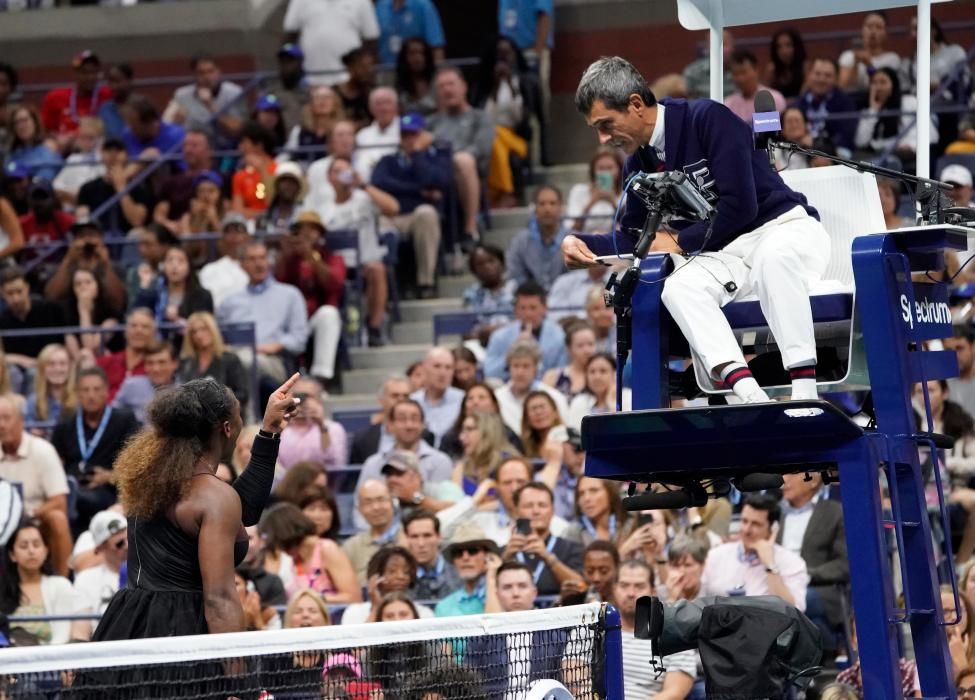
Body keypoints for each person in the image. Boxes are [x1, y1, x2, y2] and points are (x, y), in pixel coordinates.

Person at [565, 56, 831, 405]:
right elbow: (636, 237)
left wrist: (677, 240)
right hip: (726, 255)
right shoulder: (637, 162)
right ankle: (750, 396)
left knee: (773, 259)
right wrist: (581, 243)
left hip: (783, 229)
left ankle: (805, 395)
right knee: (679, 288)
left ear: (635, 104)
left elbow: (741, 206)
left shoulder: (707, 118)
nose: (602, 139)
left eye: (605, 124)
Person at [91, 374, 298, 641]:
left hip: (130, 625)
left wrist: (269, 431)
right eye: (239, 416)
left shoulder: (147, 479)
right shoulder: (212, 496)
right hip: (183, 633)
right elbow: (220, 599)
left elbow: (242, 511)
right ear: (227, 428)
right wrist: (239, 676)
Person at [319, 155, 399, 347]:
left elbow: (393, 208)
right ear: (329, 178)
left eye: (346, 170)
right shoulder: (324, 210)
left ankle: (374, 327)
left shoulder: (365, 198)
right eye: (337, 171)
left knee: (377, 269)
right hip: (339, 266)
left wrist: (363, 185)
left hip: (366, 262)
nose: (342, 176)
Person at [51, 367, 141, 528]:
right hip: (74, 485)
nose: (91, 395)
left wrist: (110, 476)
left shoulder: (124, 420)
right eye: (85, 390)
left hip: (109, 489)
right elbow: (55, 464)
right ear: (78, 394)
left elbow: (137, 464)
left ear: (106, 392)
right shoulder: (65, 425)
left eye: (96, 389)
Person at [370, 111, 448, 298]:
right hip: (391, 216)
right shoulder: (388, 160)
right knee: (376, 221)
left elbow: (435, 180)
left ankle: (426, 283)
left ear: (423, 135)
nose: (409, 139)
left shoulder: (436, 157)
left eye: (414, 134)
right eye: (405, 135)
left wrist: (419, 154)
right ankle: (388, 285)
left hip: (417, 216)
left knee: (426, 213)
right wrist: (418, 191)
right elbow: (379, 182)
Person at [217, 240, 309, 388]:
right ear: (242, 266)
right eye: (252, 259)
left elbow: (299, 339)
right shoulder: (230, 302)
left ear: (269, 262)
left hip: (274, 360)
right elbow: (219, 336)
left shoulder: (290, 294)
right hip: (237, 355)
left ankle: (249, 411)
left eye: (262, 258)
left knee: (246, 361)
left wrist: (275, 346)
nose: (259, 264)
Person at [0, 394, 72, 576]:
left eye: (6, 418)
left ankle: (62, 581)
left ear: (21, 421)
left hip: (35, 519)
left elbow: (59, 502)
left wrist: (28, 514)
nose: (1, 425)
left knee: (58, 518)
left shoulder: (43, 451)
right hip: (2, 522)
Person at [275, 210, 348, 384]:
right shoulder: (289, 259)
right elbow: (275, 286)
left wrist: (311, 257)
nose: (306, 233)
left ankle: (320, 378)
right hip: (289, 323)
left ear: (320, 234)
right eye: (302, 229)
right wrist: (284, 255)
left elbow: (334, 284)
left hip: (314, 319)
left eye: (312, 229)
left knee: (328, 314)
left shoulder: (332, 257)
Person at [700, 493, 809, 609]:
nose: (747, 530)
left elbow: (795, 612)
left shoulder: (793, 563)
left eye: (756, 524)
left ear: (773, 528)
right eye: (744, 521)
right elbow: (699, 600)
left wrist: (770, 565)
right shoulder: (716, 555)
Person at [778, 471, 849, 647]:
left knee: (786, 602)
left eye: (792, 474)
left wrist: (806, 574)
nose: (784, 479)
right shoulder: (776, 512)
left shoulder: (833, 512)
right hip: (776, 582)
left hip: (817, 588)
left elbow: (844, 564)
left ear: (813, 480)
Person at [428, 67, 496, 247]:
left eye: (451, 84)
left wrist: (451, 155)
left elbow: (481, 149)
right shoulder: (432, 123)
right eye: (441, 87)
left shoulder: (479, 117)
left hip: (470, 170)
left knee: (463, 160)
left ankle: (470, 229)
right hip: (438, 173)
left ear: (464, 87)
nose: (447, 90)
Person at [615, 559, 698, 698]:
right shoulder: (592, 630)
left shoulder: (676, 638)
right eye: (624, 585)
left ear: (653, 592)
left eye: (639, 586)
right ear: (614, 588)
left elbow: (674, 694)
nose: (630, 593)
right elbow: (577, 684)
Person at [0, 519, 86, 645]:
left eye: (36, 545)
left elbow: (66, 633)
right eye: (24, 546)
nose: (31, 551)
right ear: (12, 554)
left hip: (52, 659)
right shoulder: (2, 589)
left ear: (46, 551)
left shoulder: (60, 585)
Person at [356, 399, 454, 508]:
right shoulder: (373, 464)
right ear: (390, 425)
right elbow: (360, 507)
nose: (409, 425)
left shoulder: (440, 461)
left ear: (423, 424)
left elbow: (447, 509)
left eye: (414, 419)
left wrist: (414, 496)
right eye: (402, 419)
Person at [502, 481, 583, 596]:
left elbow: (581, 587)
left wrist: (547, 557)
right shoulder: (503, 553)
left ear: (553, 511)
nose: (536, 511)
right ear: (516, 511)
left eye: (542, 505)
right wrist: (505, 558)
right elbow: (487, 589)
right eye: (528, 506)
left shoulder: (572, 548)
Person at [269, 503, 361, 603]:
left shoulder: (327, 549)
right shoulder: (292, 559)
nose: (279, 548)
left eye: (278, 542)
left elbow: (353, 597)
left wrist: (315, 599)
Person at [283, 0, 379, 86]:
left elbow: (371, 40)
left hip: (348, 80)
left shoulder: (362, 2)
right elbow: (290, 35)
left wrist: (366, 71)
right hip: (311, 78)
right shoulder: (298, 2)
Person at [484, 282, 567, 380]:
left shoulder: (559, 336)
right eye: (522, 308)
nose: (528, 314)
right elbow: (489, 373)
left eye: (533, 308)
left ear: (544, 308)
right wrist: (513, 351)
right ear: (515, 310)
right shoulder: (499, 336)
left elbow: (562, 372)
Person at [163, 53, 247, 150]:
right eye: (201, 73)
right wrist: (175, 122)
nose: (207, 77)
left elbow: (237, 130)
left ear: (219, 72)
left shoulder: (233, 92)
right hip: (192, 149)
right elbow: (166, 124)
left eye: (211, 71)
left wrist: (210, 105)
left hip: (226, 149)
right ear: (194, 75)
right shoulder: (181, 94)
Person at [76, 137, 152, 234]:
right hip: (97, 235)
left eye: (118, 150)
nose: (113, 154)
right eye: (108, 150)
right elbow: (82, 219)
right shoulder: (88, 188)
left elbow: (137, 221)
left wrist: (121, 187)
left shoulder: (138, 188)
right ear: (101, 155)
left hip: (126, 237)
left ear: (126, 155)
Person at [854, 67, 935, 157]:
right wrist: (873, 111)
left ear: (894, 85)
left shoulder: (909, 102)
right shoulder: (869, 110)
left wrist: (911, 146)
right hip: (877, 155)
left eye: (883, 82)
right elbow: (860, 142)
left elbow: (930, 134)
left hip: (906, 154)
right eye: (874, 83)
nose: (878, 87)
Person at [341, 545, 434, 624]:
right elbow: (357, 644)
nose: (401, 576)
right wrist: (376, 608)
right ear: (376, 576)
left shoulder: (423, 613)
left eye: (406, 572)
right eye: (392, 571)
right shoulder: (355, 612)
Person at [0, 266, 66, 374]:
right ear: (2, 293)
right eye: (10, 293)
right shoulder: (2, 320)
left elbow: (65, 343)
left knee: (32, 373)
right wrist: (21, 360)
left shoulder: (50, 309)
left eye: (19, 291)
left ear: (27, 288)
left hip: (51, 367)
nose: (16, 298)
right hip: (17, 371)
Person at [73, 509, 128, 637]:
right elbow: (80, 634)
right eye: (119, 543)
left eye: (130, 537)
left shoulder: (149, 571)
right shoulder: (86, 580)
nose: (128, 545)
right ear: (100, 549)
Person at [178, 311, 250, 409]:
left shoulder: (230, 359)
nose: (199, 335)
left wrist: (220, 406)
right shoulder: (186, 362)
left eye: (204, 329)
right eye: (194, 332)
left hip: (223, 415)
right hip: (193, 416)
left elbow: (242, 395)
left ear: (213, 330)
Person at [495, 340, 569, 435]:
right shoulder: (497, 397)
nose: (520, 372)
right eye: (516, 366)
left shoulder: (554, 397)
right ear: (508, 368)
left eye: (526, 366)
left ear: (536, 368)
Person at [153, 129, 218, 235]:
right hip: (176, 234)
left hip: (212, 231)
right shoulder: (171, 182)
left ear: (209, 150)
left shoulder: (220, 179)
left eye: (194, 146)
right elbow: (159, 215)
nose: (188, 150)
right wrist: (171, 225)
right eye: (185, 145)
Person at [349, 374, 425, 464]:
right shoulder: (362, 439)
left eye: (406, 396)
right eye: (395, 396)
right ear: (381, 400)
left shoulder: (425, 435)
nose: (401, 400)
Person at [40, 50, 113, 143]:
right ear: (75, 74)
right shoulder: (55, 97)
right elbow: (45, 130)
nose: (90, 77)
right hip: (65, 150)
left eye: (94, 72)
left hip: (99, 151)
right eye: (84, 72)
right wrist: (60, 139)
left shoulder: (107, 94)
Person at [342, 479, 407, 583]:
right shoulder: (351, 547)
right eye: (368, 503)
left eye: (381, 500)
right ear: (360, 509)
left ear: (393, 502)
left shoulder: (412, 537)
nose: (376, 507)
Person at [134, 244, 214, 326]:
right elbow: (136, 317)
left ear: (189, 266)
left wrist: (177, 320)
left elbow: (203, 327)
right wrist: (145, 285)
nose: (174, 266)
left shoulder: (202, 296)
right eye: (170, 260)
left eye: (181, 261)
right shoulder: (155, 293)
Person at [506, 185, 567, 290]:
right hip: (530, 297)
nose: (547, 209)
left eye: (552, 203)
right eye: (542, 204)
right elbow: (515, 273)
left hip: (565, 299)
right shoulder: (520, 241)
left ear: (561, 207)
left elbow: (577, 276)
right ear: (534, 209)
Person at [435, 522, 499, 617]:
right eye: (458, 552)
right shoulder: (444, 607)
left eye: (472, 550)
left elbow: (497, 627)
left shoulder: (509, 594)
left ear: (488, 556)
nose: (465, 558)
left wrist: (491, 578)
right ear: (453, 561)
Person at [94, 307, 156, 399]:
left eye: (145, 327)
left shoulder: (157, 367)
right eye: (134, 326)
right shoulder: (105, 363)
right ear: (125, 332)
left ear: (153, 333)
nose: (138, 331)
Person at [278, 388, 347, 471]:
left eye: (306, 407)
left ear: (319, 404)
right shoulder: (284, 431)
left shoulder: (333, 428)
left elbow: (334, 462)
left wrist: (321, 425)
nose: (301, 410)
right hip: (287, 481)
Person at [113, 339, 181, 423]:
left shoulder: (184, 391)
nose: (156, 369)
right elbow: (113, 416)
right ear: (145, 366)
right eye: (150, 363)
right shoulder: (131, 385)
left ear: (175, 364)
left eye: (162, 362)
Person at [799, 58, 858, 154]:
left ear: (836, 79)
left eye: (828, 75)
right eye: (817, 74)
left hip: (834, 153)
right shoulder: (800, 101)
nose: (821, 79)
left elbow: (846, 136)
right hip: (803, 151)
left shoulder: (846, 102)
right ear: (809, 76)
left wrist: (818, 144)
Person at [410, 346, 464, 447]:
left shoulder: (463, 401)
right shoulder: (412, 402)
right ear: (424, 369)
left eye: (448, 367)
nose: (443, 373)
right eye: (437, 366)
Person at [404, 508, 462, 600]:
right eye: (414, 537)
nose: (421, 544)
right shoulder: (399, 578)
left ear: (439, 537)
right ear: (406, 539)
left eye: (427, 536)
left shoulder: (460, 572)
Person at [566, 145, 624, 235]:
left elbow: (628, 228)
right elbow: (571, 229)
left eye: (610, 168)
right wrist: (592, 201)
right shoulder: (579, 191)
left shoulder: (626, 194)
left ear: (619, 170)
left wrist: (613, 202)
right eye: (601, 168)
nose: (605, 172)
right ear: (593, 171)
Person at [838, 11, 901, 92]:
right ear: (862, 30)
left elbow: (883, 89)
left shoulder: (892, 59)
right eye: (869, 26)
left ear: (885, 33)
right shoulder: (848, 56)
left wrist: (869, 65)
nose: (873, 31)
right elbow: (843, 87)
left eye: (878, 27)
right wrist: (855, 63)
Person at [283, 86, 346, 167]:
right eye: (318, 98)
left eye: (327, 97)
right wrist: (272, 168)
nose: (322, 101)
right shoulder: (299, 131)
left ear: (335, 103)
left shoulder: (343, 130)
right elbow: (285, 155)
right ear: (311, 103)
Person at [567, 352, 631, 430]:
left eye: (603, 371)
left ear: (615, 374)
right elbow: (574, 434)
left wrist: (611, 402)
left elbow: (625, 429)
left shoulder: (628, 396)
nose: (597, 377)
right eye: (592, 372)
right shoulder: (579, 401)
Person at [199, 213, 250, 309]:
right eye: (229, 232)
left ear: (247, 237)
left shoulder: (257, 268)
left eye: (239, 231)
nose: (235, 236)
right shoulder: (209, 270)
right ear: (221, 239)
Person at [53, 116, 106, 208]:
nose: (85, 141)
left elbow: (97, 193)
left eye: (90, 137)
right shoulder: (73, 159)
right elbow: (57, 185)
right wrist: (70, 195)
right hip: (68, 206)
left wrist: (79, 196)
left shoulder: (103, 161)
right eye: (82, 137)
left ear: (100, 139)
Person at [724, 50, 786, 124]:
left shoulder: (774, 99)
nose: (740, 78)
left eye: (743, 72)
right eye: (735, 74)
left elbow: (770, 133)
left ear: (756, 70)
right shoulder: (728, 104)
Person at [376, 0, 446, 66]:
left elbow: (436, 46)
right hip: (386, 70)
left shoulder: (424, 6)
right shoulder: (381, 6)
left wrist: (438, 74)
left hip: (415, 72)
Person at [121, 95, 186, 165]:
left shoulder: (176, 136)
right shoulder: (128, 134)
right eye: (128, 123)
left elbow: (186, 171)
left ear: (149, 123)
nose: (130, 128)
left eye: (134, 126)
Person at [231, 123, 278, 220]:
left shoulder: (278, 170)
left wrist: (262, 171)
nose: (240, 148)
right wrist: (262, 214)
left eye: (244, 143)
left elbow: (274, 205)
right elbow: (237, 211)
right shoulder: (240, 175)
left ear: (259, 146)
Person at [462, 243, 517, 326]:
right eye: (480, 264)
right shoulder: (470, 294)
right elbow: (467, 329)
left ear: (502, 264)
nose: (486, 267)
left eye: (491, 261)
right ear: (474, 271)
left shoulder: (516, 289)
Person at [178, 171, 226, 266]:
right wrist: (197, 219)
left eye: (211, 191)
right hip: (195, 266)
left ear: (219, 193)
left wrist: (214, 221)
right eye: (201, 191)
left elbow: (227, 248)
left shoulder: (227, 215)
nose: (206, 196)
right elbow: (187, 250)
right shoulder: (187, 218)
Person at [25, 344, 77, 432]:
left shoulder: (80, 400)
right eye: (51, 364)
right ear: (42, 369)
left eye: (62, 363)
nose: (57, 369)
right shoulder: (33, 402)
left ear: (70, 368)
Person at [7, 104, 65, 181]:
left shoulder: (48, 147)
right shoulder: (14, 152)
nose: (21, 126)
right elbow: (11, 173)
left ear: (35, 122)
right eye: (17, 122)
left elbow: (47, 175)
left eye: (25, 120)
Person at [542, 322, 597, 400]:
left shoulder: (603, 375)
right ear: (568, 349)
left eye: (591, 344)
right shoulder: (553, 376)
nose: (587, 350)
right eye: (580, 345)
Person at [356, 87, 401, 181]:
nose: (383, 108)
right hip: (367, 186)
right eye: (378, 104)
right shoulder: (362, 135)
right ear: (371, 108)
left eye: (387, 103)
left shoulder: (407, 132)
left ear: (396, 106)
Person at [396, 37, 438, 117]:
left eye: (421, 53)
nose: (417, 58)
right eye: (412, 53)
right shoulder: (398, 86)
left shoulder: (437, 82)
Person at [336, 48, 376, 129]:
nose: (367, 70)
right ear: (350, 67)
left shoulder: (373, 92)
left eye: (370, 66)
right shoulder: (335, 92)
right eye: (362, 66)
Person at [764, 28, 808, 100]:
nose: (784, 51)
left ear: (796, 46)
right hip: (777, 108)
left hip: (799, 108)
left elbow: (804, 96)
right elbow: (764, 96)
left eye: (788, 45)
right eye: (779, 47)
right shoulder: (771, 69)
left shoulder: (805, 66)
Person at [98, 63, 135, 140]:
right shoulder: (105, 109)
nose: (113, 86)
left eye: (117, 81)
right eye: (111, 81)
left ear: (129, 81)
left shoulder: (142, 107)